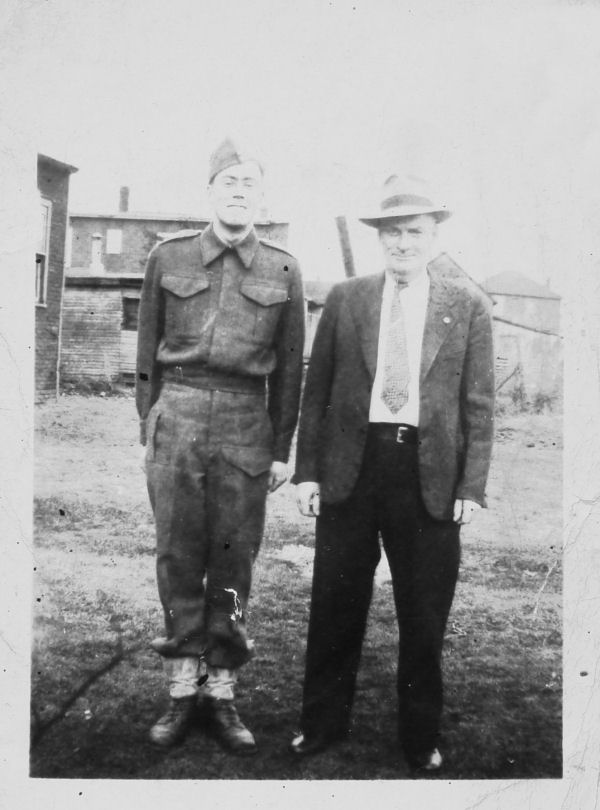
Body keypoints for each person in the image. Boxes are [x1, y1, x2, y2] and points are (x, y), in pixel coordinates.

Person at [289, 174, 494, 772]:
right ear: (379, 239)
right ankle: (322, 725)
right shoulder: (347, 298)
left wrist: (471, 485)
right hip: (352, 470)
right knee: (335, 603)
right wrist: (308, 473)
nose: (404, 243)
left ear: (434, 237)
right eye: (393, 233)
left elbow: (479, 404)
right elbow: (317, 392)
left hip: (428, 477)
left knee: (424, 614)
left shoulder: (467, 305)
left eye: (415, 232)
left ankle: (419, 736)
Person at [136, 138, 304, 755]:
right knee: (177, 554)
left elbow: (290, 368)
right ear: (209, 191)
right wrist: (151, 423)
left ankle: (223, 691)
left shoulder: (283, 267)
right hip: (177, 413)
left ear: (262, 196)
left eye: (249, 182)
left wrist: (281, 447)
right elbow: (146, 351)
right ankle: (183, 689)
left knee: (234, 561)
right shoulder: (169, 256)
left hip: (245, 420)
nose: (238, 191)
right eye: (228, 181)